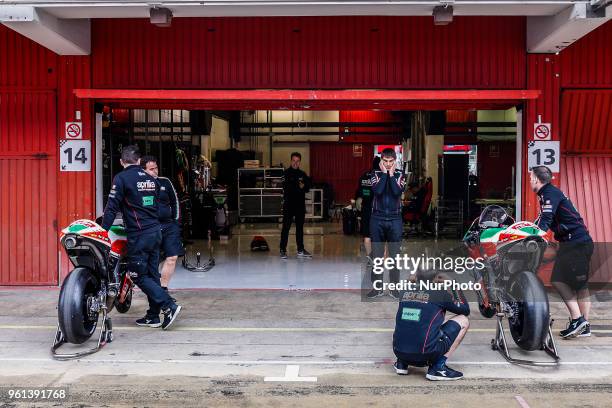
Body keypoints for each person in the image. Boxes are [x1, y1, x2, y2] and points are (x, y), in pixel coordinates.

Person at [101, 145, 182, 330]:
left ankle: (169, 306)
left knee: (137, 275)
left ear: (122, 162)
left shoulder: (121, 178)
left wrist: (102, 231)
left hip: (139, 235)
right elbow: (153, 206)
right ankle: (153, 316)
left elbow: (112, 207)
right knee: (153, 275)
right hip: (156, 232)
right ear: (139, 161)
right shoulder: (152, 180)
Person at [530, 165, 594, 338]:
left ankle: (579, 320)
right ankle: (583, 324)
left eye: (530, 178)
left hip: (576, 244)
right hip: (575, 243)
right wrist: (529, 231)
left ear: (537, 179)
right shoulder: (549, 193)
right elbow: (540, 220)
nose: (529, 181)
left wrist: (535, 236)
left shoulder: (549, 194)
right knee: (573, 284)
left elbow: (545, 220)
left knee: (564, 282)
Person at [393, 271, 470, 381]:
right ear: (436, 279)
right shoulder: (440, 294)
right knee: (463, 320)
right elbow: (465, 310)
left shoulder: (404, 290)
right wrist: (453, 284)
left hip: (399, 351)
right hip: (424, 355)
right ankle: (438, 367)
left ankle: (402, 363)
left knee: (411, 317)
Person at [141, 156, 184, 302]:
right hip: (150, 227)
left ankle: (164, 289)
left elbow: (175, 200)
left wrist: (175, 221)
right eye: (151, 169)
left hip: (169, 225)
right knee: (152, 261)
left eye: (156, 168)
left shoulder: (165, 181)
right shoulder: (139, 184)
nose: (155, 171)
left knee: (172, 257)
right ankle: (155, 291)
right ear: (143, 170)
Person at [367, 148, 406, 299]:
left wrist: (390, 174)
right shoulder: (375, 174)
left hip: (395, 220)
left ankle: (395, 289)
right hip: (377, 219)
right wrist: (384, 174)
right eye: (385, 162)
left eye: (391, 162)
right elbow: (378, 191)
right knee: (377, 256)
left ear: (395, 161)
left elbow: (397, 192)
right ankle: (377, 288)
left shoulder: (400, 174)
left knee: (394, 257)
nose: (388, 164)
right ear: (381, 161)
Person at [280, 152, 312, 259]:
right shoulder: (286, 174)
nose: (295, 163)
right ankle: (283, 250)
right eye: (293, 160)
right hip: (289, 205)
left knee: (299, 229)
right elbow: (287, 188)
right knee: (286, 228)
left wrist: (302, 186)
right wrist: (300, 187)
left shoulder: (303, 174)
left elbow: (307, 187)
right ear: (290, 161)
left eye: (297, 161)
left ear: (300, 162)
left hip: (299, 206)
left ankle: (300, 250)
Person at [355, 156, 381, 258]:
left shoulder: (364, 176)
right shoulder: (381, 176)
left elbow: (359, 192)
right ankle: (379, 257)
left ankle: (370, 257)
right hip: (378, 209)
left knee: (367, 235)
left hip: (366, 208)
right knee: (379, 235)